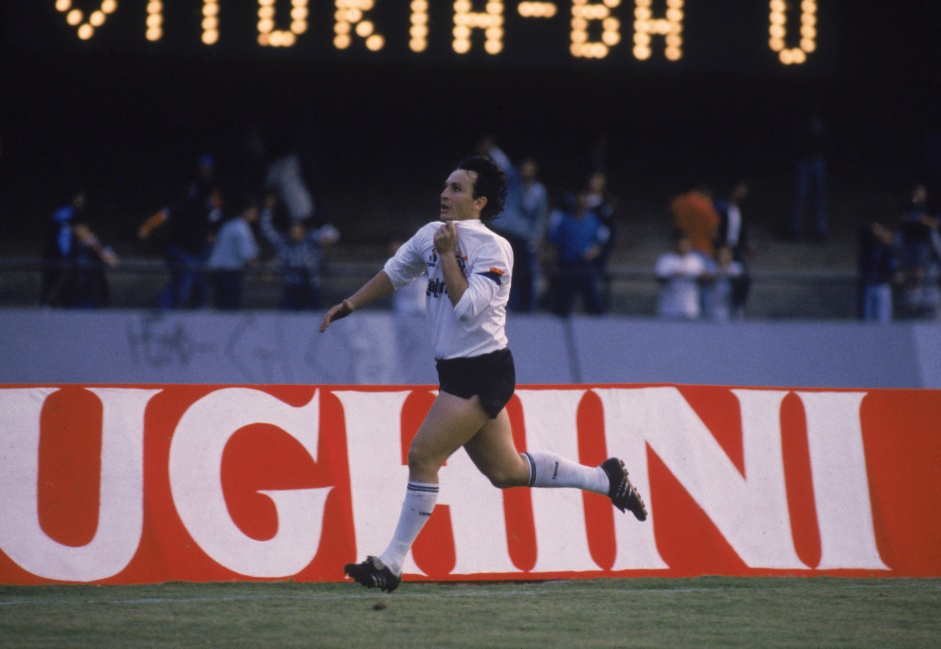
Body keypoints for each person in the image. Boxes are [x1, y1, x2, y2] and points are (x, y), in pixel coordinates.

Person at [320, 156, 647, 593]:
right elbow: (393, 274)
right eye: (445, 185)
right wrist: (350, 304)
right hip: (457, 370)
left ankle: (392, 565)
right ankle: (605, 478)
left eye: (457, 188)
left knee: (423, 455)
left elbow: (467, 306)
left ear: (480, 202)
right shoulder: (429, 235)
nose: (445, 193)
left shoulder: (495, 248)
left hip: (482, 371)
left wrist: (447, 253)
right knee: (506, 472)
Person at [139, 153, 223, 309]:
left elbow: (216, 216)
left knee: (195, 277)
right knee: (188, 276)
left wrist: (212, 235)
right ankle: (167, 307)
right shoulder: (187, 197)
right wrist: (148, 226)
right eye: (202, 168)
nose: (204, 171)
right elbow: (166, 212)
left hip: (197, 246)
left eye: (207, 168)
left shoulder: (210, 195)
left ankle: (193, 307)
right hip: (182, 247)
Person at [479, 139, 547, 312]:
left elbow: (539, 216)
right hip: (503, 232)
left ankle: (526, 307)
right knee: (501, 270)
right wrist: (493, 149)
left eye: (530, 167)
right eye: (524, 167)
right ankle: (502, 305)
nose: (526, 170)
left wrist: (537, 237)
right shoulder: (512, 179)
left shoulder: (539, 190)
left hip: (523, 237)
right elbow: (503, 163)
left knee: (524, 272)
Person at [259, 193, 339, 311]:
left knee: (316, 317)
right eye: (292, 231)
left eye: (298, 231)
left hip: (311, 287)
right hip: (292, 287)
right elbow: (267, 229)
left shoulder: (312, 240)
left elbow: (333, 233)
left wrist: (327, 240)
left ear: (303, 231)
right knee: (286, 316)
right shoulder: (283, 242)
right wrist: (268, 209)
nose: (295, 234)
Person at [546, 189, 610, 316]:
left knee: (592, 299)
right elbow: (555, 243)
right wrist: (552, 263)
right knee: (563, 300)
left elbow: (600, 244)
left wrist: (592, 253)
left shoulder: (594, 221)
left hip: (585, 266)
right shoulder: (565, 220)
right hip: (567, 265)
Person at [206, 193, 261, 310]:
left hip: (219, 272)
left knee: (222, 308)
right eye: (254, 212)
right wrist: (264, 274)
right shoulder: (240, 229)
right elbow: (249, 259)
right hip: (227, 273)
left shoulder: (232, 224)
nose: (256, 215)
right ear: (246, 211)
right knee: (229, 311)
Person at [789, 102, 828, 241]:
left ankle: (820, 231)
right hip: (805, 161)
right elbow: (797, 141)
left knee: (819, 197)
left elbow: (827, 142)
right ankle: (795, 230)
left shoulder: (822, 124)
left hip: (818, 161)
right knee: (801, 195)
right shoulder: (802, 124)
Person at [655, 228, 709, 320]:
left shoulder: (696, 260)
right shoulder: (666, 259)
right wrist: (673, 275)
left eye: (685, 243)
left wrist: (700, 277)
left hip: (690, 309)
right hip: (669, 309)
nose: (683, 246)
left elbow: (706, 279)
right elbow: (660, 279)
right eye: (680, 243)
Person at [857, 222, 901, 323]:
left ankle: (883, 337)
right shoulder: (870, 247)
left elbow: (892, 269)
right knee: (867, 317)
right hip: (869, 285)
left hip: (882, 286)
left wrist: (895, 274)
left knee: (883, 317)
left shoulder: (888, 250)